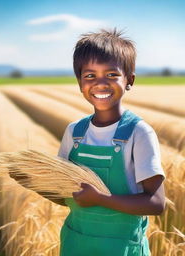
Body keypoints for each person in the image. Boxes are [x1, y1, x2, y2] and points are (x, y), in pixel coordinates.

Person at [57, 28, 165, 256]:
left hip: (121, 248)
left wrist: (100, 199)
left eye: (111, 75)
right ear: (80, 82)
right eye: (90, 76)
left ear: (129, 80)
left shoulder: (139, 133)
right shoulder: (74, 132)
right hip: (76, 243)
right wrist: (34, 180)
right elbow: (67, 195)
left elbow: (156, 203)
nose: (100, 83)